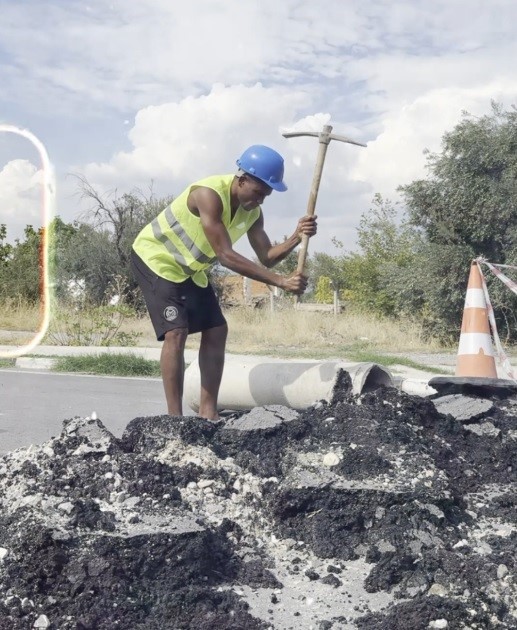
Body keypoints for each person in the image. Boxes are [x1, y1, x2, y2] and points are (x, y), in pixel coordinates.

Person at [131, 144, 317, 421]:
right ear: (242, 179)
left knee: (217, 329)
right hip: (157, 260)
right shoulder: (207, 195)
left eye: (266, 196)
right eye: (258, 193)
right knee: (176, 332)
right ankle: (174, 420)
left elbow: (267, 257)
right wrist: (281, 282)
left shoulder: (252, 213)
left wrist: (296, 235)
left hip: (190, 270)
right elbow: (226, 256)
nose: (260, 201)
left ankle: (209, 414)